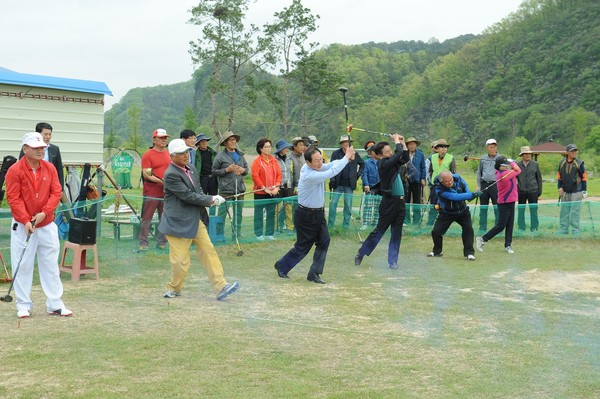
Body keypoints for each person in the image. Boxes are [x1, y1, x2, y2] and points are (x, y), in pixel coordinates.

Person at [159, 138, 239, 300]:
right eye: (181, 153)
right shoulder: (171, 175)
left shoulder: (192, 168)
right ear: (172, 156)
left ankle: (221, 286)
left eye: (187, 151)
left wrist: (210, 198)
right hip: (177, 223)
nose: (186, 155)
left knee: (208, 250)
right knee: (180, 261)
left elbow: (198, 190)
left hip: (195, 219)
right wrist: (211, 200)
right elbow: (187, 196)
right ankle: (175, 288)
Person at [6, 132, 72, 318]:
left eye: (42, 147)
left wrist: (44, 213)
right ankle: (23, 305)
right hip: (23, 225)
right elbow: (14, 197)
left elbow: (56, 192)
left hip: (47, 223)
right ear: (25, 148)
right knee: (23, 263)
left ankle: (55, 303)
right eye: (35, 148)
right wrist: (26, 220)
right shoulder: (14, 170)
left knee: (50, 263)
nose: (40, 150)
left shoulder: (50, 168)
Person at [274, 146, 356, 284]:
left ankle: (314, 273)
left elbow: (330, 165)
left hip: (318, 214)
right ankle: (282, 265)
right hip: (306, 215)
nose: (320, 163)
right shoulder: (309, 174)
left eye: (320, 159)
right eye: (316, 161)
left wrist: (346, 159)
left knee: (324, 241)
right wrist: (346, 158)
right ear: (308, 162)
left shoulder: (317, 167)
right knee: (303, 246)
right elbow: (332, 171)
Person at [354, 134, 409, 269]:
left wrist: (403, 143)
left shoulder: (393, 162)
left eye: (390, 150)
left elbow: (405, 157)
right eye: (386, 152)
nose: (390, 152)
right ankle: (361, 252)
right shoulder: (383, 163)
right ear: (379, 155)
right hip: (389, 203)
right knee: (380, 231)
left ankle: (393, 261)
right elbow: (398, 154)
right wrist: (397, 142)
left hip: (400, 203)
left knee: (397, 233)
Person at [428, 171, 481, 260]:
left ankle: (469, 253)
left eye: (450, 179)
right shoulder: (439, 189)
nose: (450, 182)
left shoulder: (457, 178)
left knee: (468, 230)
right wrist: (472, 194)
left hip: (462, 211)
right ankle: (437, 251)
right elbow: (455, 197)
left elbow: (464, 186)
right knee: (436, 232)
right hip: (446, 213)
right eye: (446, 181)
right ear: (441, 182)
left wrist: (470, 195)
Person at [477, 156, 521, 254]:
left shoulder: (506, 172)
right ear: (498, 166)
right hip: (504, 203)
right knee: (501, 225)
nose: (506, 166)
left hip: (511, 201)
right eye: (504, 165)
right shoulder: (503, 175)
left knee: (510, 224)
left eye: (506, 164)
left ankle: (508, 245)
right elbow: (518, 170)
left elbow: (515, 169)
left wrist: (511, 163)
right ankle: (483, 239)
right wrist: (513, 162)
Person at [212, 131, 248, 239]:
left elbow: (246, 170)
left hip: (239, 189)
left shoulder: (241, 155)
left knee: (238, 214)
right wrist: (227, 169)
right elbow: (214, 171)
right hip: (225, 190)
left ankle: (236, 234)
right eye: (230, 140)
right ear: (225, 143)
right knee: (222, 213)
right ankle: (219, 235)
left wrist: (242, 170)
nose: (233, 142)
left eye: (234, 140)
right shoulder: (220, 156)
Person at [139, 129, 170, 252]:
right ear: (154, 140)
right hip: (151, 190)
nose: (163, 140)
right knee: (147, 218)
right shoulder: (148, 154)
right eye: (161, 138)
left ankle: (162, 242)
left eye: (165, 138)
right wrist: (161, 181)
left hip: (165, 191)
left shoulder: (168, 154)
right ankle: (143, 243)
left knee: (165, 217)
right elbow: (146, 174)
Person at [328, 135, 365, 228]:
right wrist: (332, 180)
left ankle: (346, 225)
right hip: (338, 183)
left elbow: (362, 164)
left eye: (348, 142)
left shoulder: (355, 154)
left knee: (348, 205)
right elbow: (331, 167)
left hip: (349, 184)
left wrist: (357, 175)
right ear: (341, 144)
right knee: (333, 204)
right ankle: (330, 225)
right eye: (344, 142)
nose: (346, 144)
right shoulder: (335, 154)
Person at [251, 138, 282, 240]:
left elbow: (279, 174)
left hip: (273, 192)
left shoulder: (274, 160)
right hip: (260, 193)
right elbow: (255, 177)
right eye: (266, 147)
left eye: (269, 146)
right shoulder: (257, 162)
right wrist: (264, 188)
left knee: (271, 213)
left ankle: (269, 234)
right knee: (259, 214)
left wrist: (277, 187)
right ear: (260, 149)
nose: (268, 149)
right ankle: (259, 234)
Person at [18, 122, 64, 189]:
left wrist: (60, 188)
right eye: (45, 134)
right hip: (31, 185)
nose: (48, 137)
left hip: (49, 185)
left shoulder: (55, 149)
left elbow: (59, 170)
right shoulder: (28, 149)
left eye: (50, 134)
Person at [557, 144, 587, 235]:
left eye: (575, 151)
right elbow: (559, 177)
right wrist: (560, 187)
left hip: (576, 191)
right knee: (564, 211)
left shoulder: (579, 163)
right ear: (567, 152)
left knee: (575, 212)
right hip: (565, 191)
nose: (574, 153)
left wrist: (584, 191)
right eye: (572, 151)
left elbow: (584, 177)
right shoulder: (561, 162)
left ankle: (575, 230)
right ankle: (563, 229)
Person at [427, 139, 456, 226]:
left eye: (445, 147)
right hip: (434, 185)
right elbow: (430, 171)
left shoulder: (451, 158)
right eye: (441, 147)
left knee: (445, 205)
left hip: (445, 186)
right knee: (434, 205)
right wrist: (431, 181)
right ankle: (430, 223)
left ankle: (443, 223)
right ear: (438, 148)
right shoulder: (433, 157)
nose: (444, 149)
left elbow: (453, 173)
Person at [476, 139, 501, 233]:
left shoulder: (500, 158)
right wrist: (478, 185)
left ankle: (498, 227)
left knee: (497, 207)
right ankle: (482, 227)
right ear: (487, 148)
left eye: (494, 147)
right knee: (483, 207)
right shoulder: (483, 158)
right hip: (484, 184)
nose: (493, 149)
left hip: (496, 185)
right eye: (491, 147)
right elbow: (479, 172)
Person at [516, 146, 543, 232]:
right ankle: (521, 227)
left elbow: (539, 178)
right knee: (521, 210)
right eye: (525, 154)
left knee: (533, 210)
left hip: (533, 191)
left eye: (529, 154)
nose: (528, 155)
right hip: (521, 191)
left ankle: (534, 227)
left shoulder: (535, 164)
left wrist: (539, 190)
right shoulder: (517, 165)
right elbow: (514, 178)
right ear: (522, 155)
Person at [404, 137, 427, 225]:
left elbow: (423, 168)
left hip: (417, 181)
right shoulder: (404, 154)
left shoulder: (420, 154)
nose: (412, 146)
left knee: (417, 201)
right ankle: (406, 220)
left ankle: (417, 221)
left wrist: (423, 178)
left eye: (413, 144)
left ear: (416, 145)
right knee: (406, 200)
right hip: (406, 180)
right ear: (407, 145)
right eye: (410, 144)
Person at [274, 139, 294, 234]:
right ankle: (277, 228)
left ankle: (289, 228)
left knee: (289, 207)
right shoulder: (274, 159)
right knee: (278, 208)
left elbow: (291, 173)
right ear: (280, 149)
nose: (287, 149)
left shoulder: (289, 159)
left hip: (288, 187)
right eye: (285, 148)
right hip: (278, 187)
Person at [194, 133, 218, 215]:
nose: (204, 143)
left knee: (213, 199)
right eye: (202, 142)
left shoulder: (213, 153)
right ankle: (202, 217)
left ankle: (212, 216)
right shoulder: (196, 154)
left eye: (205, 141)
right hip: (202, 178)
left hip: (213, 179)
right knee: (202, 199)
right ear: (198, 144)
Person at [361, 141, 381, 229]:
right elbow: (364, 174)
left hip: (380, 188)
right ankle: (366, 223)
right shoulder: (366, 162)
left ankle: (376, 223)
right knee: (368, 206)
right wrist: (366, 184)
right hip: (370, 187)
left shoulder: (382, 162)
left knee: (378, 207)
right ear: (372, 152)